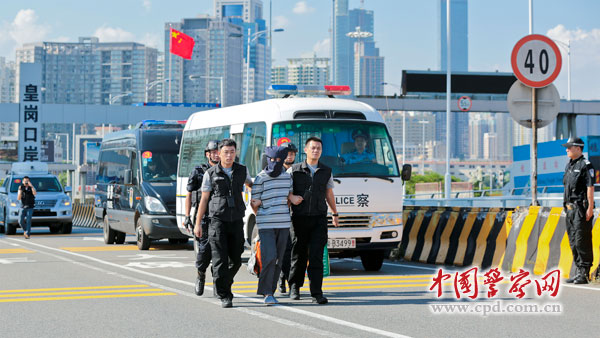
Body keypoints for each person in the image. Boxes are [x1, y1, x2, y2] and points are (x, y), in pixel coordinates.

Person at [194, 138, 253, 308]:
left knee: (236, 259)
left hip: (236, 220)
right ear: (218, 154)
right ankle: (225, 295)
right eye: (225, 152)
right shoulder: (210, 174)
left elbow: (250, 184)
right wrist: (198, 224)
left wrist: (255, 195)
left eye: (232, 152)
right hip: (217, 220)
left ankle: (222, 282)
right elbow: (204, 200)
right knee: (219, 259)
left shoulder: (242, 170)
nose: (229, 155)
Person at [288, 137, 340, 304]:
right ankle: (294, 287)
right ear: (305, 150)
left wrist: (335, 213)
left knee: (317, 256)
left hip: (318, 218)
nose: (315, 150)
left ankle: (317, 292)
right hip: (298, 218)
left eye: (318, 148)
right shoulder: (294, 170)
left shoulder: (326, 171)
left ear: (321, 151)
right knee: (299, 255)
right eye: (312, 148)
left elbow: (329, 194)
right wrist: (292, 197)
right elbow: (285, 191)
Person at [250, 145, 303, 305]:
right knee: (269, 257)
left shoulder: (287, 177)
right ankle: (267, 292)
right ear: (267, 159)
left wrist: (292, 199)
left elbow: (288, 197)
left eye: (278, 160)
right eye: (271, 159)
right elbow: (254, 204)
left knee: (280, 259)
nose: (274, 162)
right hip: (265, 224)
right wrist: (257, 208)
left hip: (283, 223)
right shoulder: (260, 178)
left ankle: (269, 290)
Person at [184, 140, 220, 296]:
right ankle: (201, 274)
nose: (217, 154)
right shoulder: (198, 171)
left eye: (219, 151)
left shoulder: (225, 170)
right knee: (204, 250)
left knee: (219, 251)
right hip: (203, 216)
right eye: (214, 152)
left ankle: (218, 283)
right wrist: (187, 217)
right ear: (208, 154)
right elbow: (189, 194)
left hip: (219, 215)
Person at [562, 137, 595, 284]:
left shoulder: (585, 165)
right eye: (567, 147)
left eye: (570, 147)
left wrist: (590, 207)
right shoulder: (569, 165)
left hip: (581, 209)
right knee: (573, 241)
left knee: (582, 241)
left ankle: (585, 273)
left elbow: (590, 187)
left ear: (578, 148)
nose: (567, 149)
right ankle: (578, 272)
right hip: (570, 210)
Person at [278, 142, 298, 294]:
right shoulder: (275, 170)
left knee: (291, 249)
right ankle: (281, 277)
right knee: (281, 249)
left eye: (292, 153)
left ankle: (289, 280)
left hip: (294, 216)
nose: (290, 155)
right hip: (278, 215)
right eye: (287, 153)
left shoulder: (298, 171)